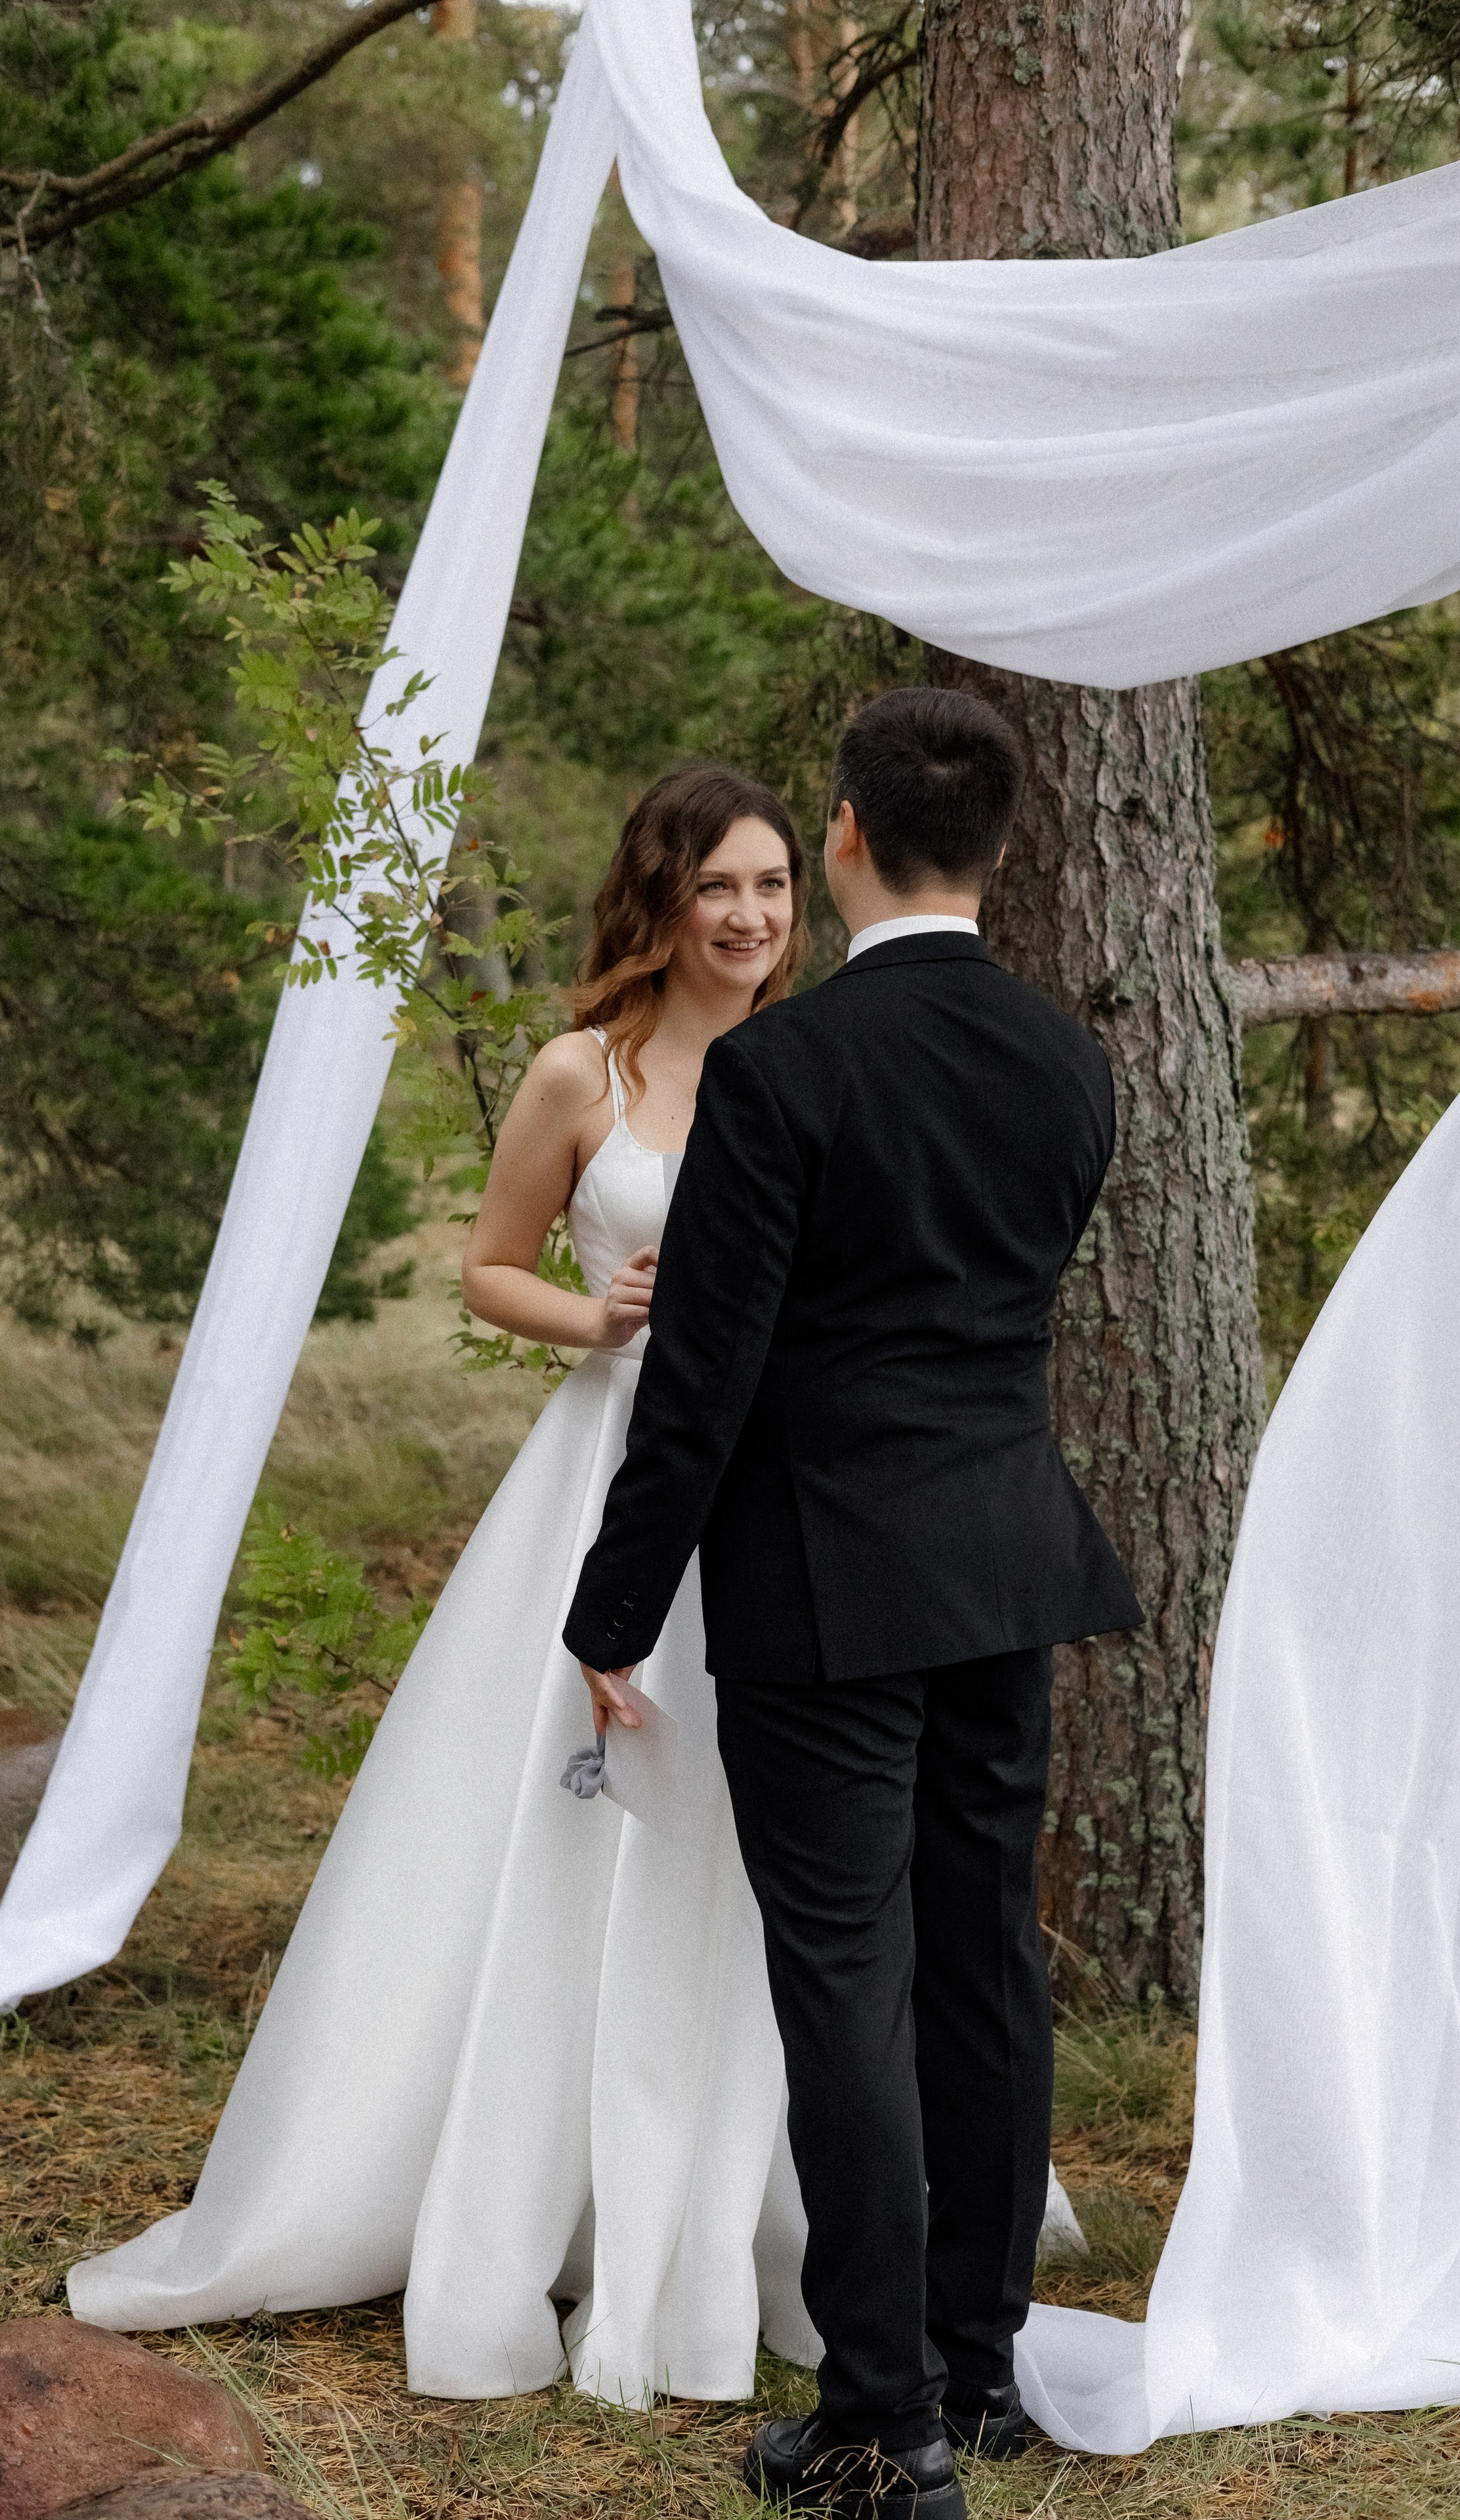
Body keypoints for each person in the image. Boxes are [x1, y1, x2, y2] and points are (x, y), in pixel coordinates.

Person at [68, 765, 827, 2404]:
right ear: (663, 895)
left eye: (773, 886)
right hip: (607, 1480)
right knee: (563, 1817)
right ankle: (506, 2181)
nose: (751, 918)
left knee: (740, 1840)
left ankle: (720, 2190)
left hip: (772, 1493)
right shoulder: (582, 1071)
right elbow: (491, 1271)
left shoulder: (811, 1060)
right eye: (721, 888)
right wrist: (602, 1318)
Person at [565, 688, 1142, 2519]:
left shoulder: (784, 1071)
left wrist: (611, 1605)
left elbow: (710, 1374)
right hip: (1005, 1561)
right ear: (996, 854)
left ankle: (882, 2422)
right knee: (983, 1965)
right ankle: (975, 2370)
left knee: (848, 1981)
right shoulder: (1072, 1063)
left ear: (840, 839)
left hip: (828, 1573)